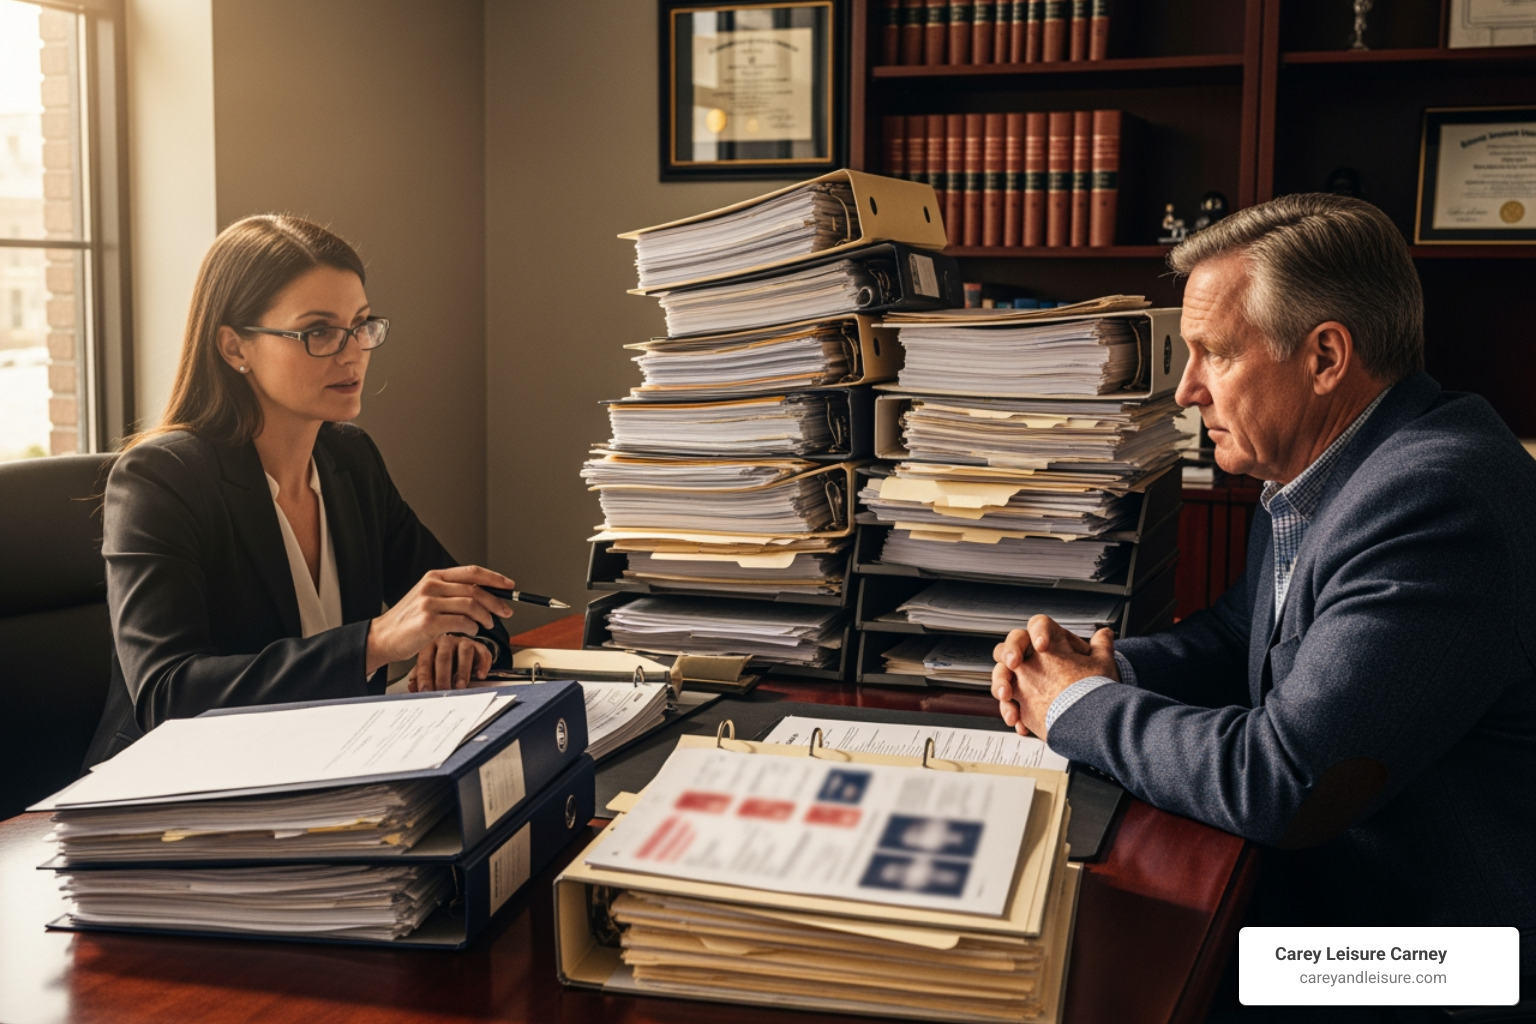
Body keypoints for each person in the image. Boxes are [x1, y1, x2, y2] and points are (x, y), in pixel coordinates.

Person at [991, 194, 1536, 975]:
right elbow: (1241, 636)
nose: (1186, 390)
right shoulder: (1332, 469)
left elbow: (1283, 781)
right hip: (1349, 910)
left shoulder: (1437, 503)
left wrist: (1074, 706)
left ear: (1324, 358)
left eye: (1215, 353)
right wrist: (1112, 669)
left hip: (1445, 965)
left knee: (1103, 976)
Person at [85, 215, 516, 766]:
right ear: (235, 347)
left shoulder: (349, 459)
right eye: (318, 331)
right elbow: (170, 693)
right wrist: (376, 642)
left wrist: (462, 642)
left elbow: (462, 603)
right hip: (180, 788)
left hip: (329, 765)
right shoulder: (160, 479)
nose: (351, 352)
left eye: (361, 325)